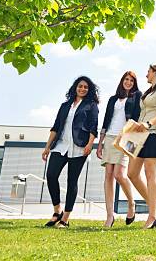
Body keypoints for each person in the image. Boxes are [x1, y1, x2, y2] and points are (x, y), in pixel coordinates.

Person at [41, 76, 99, 228]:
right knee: (51, 175)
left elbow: (94, 127)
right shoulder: (65, 105)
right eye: (80, 86)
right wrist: (47, 147)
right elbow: (55, 127)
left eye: (86, 87)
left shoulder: (91, 105)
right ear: (75, 87)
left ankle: (65, 219)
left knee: (72, 181)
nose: (83, 89)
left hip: (79, 147)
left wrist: (89, 144)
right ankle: (57, 211)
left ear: (89, 90)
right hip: (60, 145)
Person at [127, 64, 156, 229]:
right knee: (131, 173)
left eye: (148, 72)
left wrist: (148, 123)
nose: (146, 74)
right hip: (139, 135)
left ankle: (152, 217)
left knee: (150, 173)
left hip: (154, 133)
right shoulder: (147, 92)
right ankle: (153, 204)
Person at [97, 71, 142, 227]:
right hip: (109, 137)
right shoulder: (113, 99)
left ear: (134, 83)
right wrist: (100, 142)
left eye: (131, 80)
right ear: (122, 81)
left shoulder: (137, 96)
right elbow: (106, 120)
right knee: (108, 175)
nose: (128, 82)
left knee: (119, 174)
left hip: (125, 137)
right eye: (126, 79)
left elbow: (137, 118)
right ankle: (110, 216)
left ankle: (131, 203)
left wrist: (131, 141)